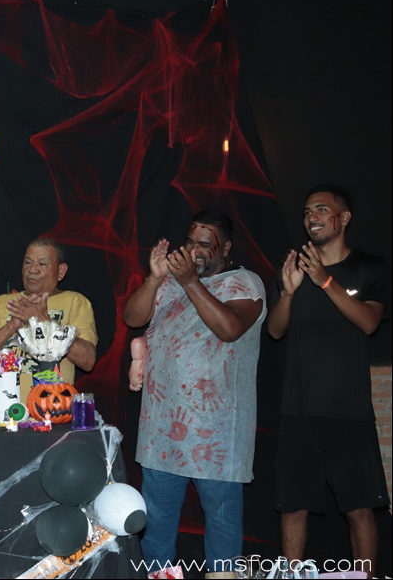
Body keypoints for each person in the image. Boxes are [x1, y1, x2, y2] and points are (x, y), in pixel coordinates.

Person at [123, 209, 266, 573]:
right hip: (161, 431)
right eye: (190, 242)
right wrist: (155, 279)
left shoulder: (245, 283)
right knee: (156, 525)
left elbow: (229, 329)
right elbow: (133, 317)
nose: (195, 251)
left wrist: (189, 282)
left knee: (221, 522)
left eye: (205, 244)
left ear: (226, 247)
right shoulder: (170, 280)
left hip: (216, 436)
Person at [266, 185, 387, 578]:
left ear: (343, 218)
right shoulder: (295, 269)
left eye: (321, 209)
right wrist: (287, 293)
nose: (311, 218)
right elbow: (276, 331)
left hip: (348, 411)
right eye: (306, 212)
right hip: (298, 408)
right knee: (293, 505)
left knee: (359, 509)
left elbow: (369, 322)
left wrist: (325, 281)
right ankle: (292, 575)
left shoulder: (368, 267)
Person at [0, 238, 97, 401]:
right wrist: (12, 325)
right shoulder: (2, 303)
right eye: (28, 262)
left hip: (53, 406)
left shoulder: (76, 302)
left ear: (61, 271)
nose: (32, 270)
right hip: (4, 408)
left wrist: (43, 321)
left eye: (42, 264)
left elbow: (88, 360)